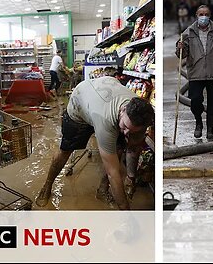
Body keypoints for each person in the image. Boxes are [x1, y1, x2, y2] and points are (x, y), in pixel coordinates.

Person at [36, 76, 154, 210]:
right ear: (122, 110)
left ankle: (102, 190)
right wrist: (125, 210)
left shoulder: (141, 113)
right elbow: (113, 172)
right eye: (125, 127)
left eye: (131, 130)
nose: (126, 132)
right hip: (79, 104)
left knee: (119, 149)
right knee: (65, 150)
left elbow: (134, 148)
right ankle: (47, 185)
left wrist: (131, 178)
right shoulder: (106, 120)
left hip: (102, 96)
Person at [176, 5, 213, 140]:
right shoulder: (188, 32)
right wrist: (180, 48)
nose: (204, 17)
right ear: (196, 15)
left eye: (206, 14)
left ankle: (210, 130)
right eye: (201, 14)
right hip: (196, 73)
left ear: (210, 16)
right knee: (195, 100)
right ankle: (198, 123)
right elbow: (181, 54)